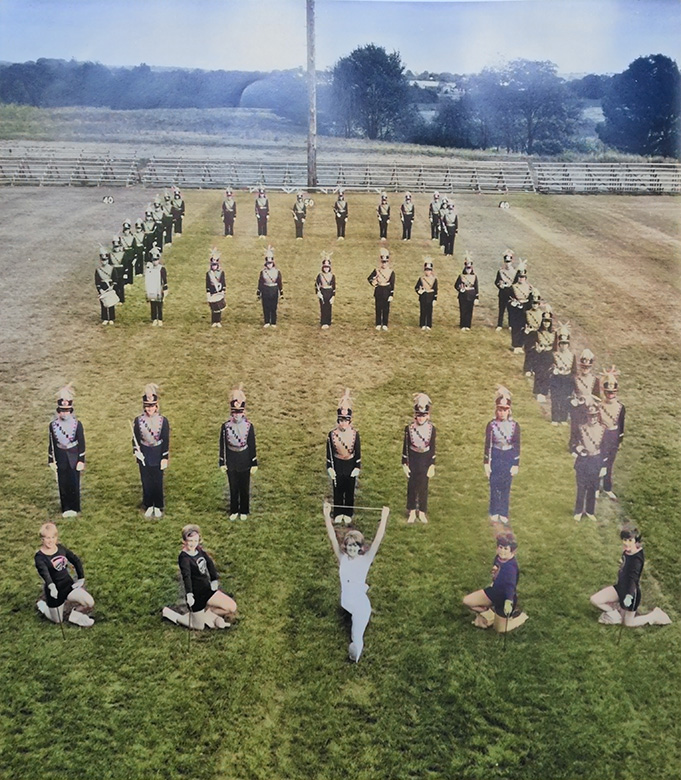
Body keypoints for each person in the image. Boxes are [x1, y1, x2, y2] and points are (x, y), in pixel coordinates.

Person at [323, 501, 389, 662]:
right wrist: (326, 515)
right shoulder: (342, 558)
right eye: (349, 546)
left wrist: (384, 517)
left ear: (360, 548)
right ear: (345, 546)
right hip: (346, 600)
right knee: (355, 617)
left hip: (360, 602)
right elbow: (332, 537)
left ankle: (356, 648)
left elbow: (378, 540)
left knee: (356, 631)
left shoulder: (365, 560)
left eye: (355, 546)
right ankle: (356, 639)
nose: (351, 549)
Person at [589, 527, 670, 627]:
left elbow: (633, 580)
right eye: (625, 540)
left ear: (636, 541)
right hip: (620, 588)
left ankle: (654, 616)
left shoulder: (637, 560)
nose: (626, 543)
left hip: (631, 593)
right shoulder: (627, 551)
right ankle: (614, 612)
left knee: (627, 623)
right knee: (595, 600)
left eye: (630, 540)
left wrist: (629, 596)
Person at [162, 524, 237, 630]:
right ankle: (172, 615)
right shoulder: (184, 558)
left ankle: (207, 615)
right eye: (190, 541)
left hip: (207, 589)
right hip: (196, 595)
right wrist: (189, 594)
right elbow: (186, 577)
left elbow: (209, 563)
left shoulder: (199, 550)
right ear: (184, 541)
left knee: (231, 607)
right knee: (199, 627)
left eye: (195, 541)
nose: (193, 544)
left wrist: (214, 579)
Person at [462, 534, 527, 632]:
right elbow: (496, 568)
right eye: (500, 547)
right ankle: (490, 615)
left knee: (499, 629)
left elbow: (510, 586)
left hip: (504, 599)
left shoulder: (511, 568)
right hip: (494, 591)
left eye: (506, 548)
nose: (502, 551)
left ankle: (520, 617)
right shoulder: (498, 557)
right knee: (467, 601)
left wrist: (509, 602)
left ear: (512, 551)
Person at [34, 522, 95, 627]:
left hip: (67, 585)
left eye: (53, 537)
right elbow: (45, 573)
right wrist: (52, 587)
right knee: (58, 620)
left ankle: (73, 616)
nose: (51, 540)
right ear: (42, 539)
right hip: (54, 592)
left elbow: (75, 560)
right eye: (47, 538)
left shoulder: (60, 548)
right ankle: (43, 606)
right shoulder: (39, 557)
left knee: (89, 602)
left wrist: (81, 578)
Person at [219, 386, 258, 520]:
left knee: (244, 486)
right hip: (231, 459)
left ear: (243, 412)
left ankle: (244, 510)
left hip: (244, 459)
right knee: (233, 486)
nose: (237, 415)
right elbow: (222, 445)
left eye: (239, 413)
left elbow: (252, 445)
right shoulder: (225, 427)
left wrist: (254, 463)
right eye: (234, 413)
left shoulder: (249, 426)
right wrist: (222, 462)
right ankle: (234, 509)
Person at [132, 383, 170, 518]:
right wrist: (136, 452)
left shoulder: (163, 421)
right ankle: (148, 504)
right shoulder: (138, 421)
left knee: (157, 480)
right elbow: (135, 438)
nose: (150, 409)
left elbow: (165, 440)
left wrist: (165, 457)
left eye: (152, 406)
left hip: (157, 452)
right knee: (146, 480)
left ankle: (158, 504)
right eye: (147, 406)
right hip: (144, 453)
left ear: (156, 406)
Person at [483, 386, 520, 525]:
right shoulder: (491, 425)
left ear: (509, 410)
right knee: (494, 484)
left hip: (508, 456)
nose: (502, 412)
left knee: (506, 485)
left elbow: (517, 445)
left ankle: (503, 511)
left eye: (505, 410)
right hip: (496, 456)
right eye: (500, 409)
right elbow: (488, 445)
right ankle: (494, 510)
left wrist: (515, 464)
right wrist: (486, 463)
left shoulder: (515, 426)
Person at [48, 385, 86, 518]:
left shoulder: (77, 424)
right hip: (61, 457)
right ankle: (66, 507)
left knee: (74, 482)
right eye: (62, 411)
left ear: (71, 410)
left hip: (73, 457)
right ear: (58, 411)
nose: (64, 413)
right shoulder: (53, 425)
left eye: (67, 410)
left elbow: (81, 443)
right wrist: (51, 460)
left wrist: (81, 460)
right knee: (62, 483)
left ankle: (75, 507)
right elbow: (51, 444)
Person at [327, 389, 361, 525]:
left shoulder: (355, 434)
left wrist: (357, 466)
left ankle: (348, 512)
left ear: (350, 421)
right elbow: (329, 453)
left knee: (349, 488)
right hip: (338, 463)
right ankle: (338, 512)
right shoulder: (332, 435)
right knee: (338, 489)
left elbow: (357, 452)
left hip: (350, 464)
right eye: (341, 420)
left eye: (346, 421)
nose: (343, 423)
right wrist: (330, 467)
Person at [570, 397, 607, 521]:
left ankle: (590, 511)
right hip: (583, 461)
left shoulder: (603, 429)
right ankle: (578, 511)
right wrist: (579, 449)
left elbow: (605, 449)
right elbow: (573, 443)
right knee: (581, 487)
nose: (593, 418)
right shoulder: (580, 428)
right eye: (590, 416)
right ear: (587, 416)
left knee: (592, 487)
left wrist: (603, 466)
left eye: (595, 416)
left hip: (596, 461)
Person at [402, 392, 436, 523]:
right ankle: (411, 510)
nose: (420, 418)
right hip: (413, 458)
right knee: (412, 485)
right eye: (418, 416)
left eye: (423, 416)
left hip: (425, 460)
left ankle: (422, 511)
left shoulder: (432, 429)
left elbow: (432, 447)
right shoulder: (409, 429)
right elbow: (405, 447)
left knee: (423, 486)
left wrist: (432, 464)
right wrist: (404, 463)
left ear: (428, 415)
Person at [598, 366, 625, 500]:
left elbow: (621, 426)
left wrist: (619, 441)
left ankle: (607, 488)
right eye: (608, 392)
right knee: (598, 462)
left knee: (610, 463)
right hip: (601, 436)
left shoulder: (620, 407)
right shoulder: (598, 406)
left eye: (612, 392)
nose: (610, 395)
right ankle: (596, 488)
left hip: (613, 437)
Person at [550, 323, 576, 426]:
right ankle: (555, 418)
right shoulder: (555, 355)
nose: (563, 345)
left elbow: (574, 370)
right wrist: (554, 371)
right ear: (559, 344)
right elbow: (550, 367)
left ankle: (563, 418)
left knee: (566, 398)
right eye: (562, 343)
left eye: (565, 343)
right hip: (556, 379)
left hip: (567, 379)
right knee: (555, 398)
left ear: (568, 344)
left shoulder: (572, 355)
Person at [527, 309, 554, 402]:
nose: (546, 323)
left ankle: (544, 392)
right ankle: (538, 392)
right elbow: (531, 344)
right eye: (545, 321)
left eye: (548, 322)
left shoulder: (553, 334)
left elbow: (555, 347)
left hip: (549, 355)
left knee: (547, 374)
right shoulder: (537, 333)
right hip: (540, 354)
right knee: (539, 373)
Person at [367, 247, 395, 331]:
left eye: (385, 262)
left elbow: (392, 284)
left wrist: (391, 294)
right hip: (379, 289)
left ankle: (385, 323)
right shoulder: (377, 270)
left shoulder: (391, 272)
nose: (384, 264)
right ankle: (378, 323)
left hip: (386, 290)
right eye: (383, 262)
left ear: (388, 262)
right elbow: (369, 278)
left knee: (386, 308)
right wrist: (373, 282)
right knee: (378, 307)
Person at [508, 263, 533, 353]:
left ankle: (521, 344)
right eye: (519, 277)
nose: (521, 279)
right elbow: (509, 299)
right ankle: (515, 345)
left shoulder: (529, 287)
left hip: (525, 309)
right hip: (516, 310)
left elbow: (531, 299)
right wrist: (514, 304)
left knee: (524, 327)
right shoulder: (513, 287)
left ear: (525, 278)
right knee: (516, 327)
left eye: (523, 277)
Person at [257, 246, 283, 328]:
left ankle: (273, 322)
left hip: (274, 290)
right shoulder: (263, 272)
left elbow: (279, 282)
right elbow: (260, 282)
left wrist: (281, 291)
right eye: (268, 263)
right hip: (265, 290)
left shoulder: (277, 271)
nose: (269, 265)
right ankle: (267, 321)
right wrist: (259, 292)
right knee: (266, 306)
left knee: (273, 306)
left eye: (271, 263)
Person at [454, 254, 479, 331]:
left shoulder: (474, 276)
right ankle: (462, 325)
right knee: (463, 310)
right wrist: (460, 289)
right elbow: (456, 285)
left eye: (470, 268)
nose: (468, 270)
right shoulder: (461, 276)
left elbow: (476, 287)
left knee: (469, 310)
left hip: (471, 295)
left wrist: (476, 297)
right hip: (463, 296)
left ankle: (468, 325)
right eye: (467, 268)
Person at [144, 246, 168, 326]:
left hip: (159, 288)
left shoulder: (162, 269)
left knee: (159, 304)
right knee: (153, 304)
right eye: (153, 260)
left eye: (156, 260)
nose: (155, 262)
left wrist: (165, 289)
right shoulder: (149, 269)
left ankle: (160, 318)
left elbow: (164, 280)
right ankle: (154, 318)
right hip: (152, 289)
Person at [522, 292, 544, 375]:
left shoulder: (542, 314)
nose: (535, 305)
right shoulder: (527, 313)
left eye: (536, 304)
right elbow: (524, 323)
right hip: (530, 333)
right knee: (529, 351)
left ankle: (534, 368)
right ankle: (527, 369)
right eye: (533, 303)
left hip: (538, 333)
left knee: (537, 352)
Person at [95, 247, 117, 325]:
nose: (104, 262)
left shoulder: (112, 269)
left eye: (105, 260)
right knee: (103, 303)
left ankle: (111, 318)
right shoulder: (98, 270)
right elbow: (97, 281)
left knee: (111, 303)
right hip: (103, 287)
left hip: (110, 287)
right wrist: (100, 289)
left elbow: (115, 279)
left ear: (108, 260)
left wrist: (112, 287)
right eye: (102, 260)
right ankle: (104, 317)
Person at [494, 250, 516, 330]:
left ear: (511, 261)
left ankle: (511, 325)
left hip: (511, 293)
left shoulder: (514, 272)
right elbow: (496, 282)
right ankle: (499, 325)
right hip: (502, 293)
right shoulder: (501, 271)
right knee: (501, 309)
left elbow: (516, 283)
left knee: (511, 310)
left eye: (509, 261)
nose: (507, 263)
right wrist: (500, 285)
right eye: (506, 261)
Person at [414, 259, 438, 331]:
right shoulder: (421, 279)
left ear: (431, 271)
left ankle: (428, 324)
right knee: (423, 311)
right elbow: (416, 288)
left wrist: (435, 299)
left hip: (430, 297)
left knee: (429, 311)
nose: (428, 272)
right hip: (423, 297)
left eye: (429, 270)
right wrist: (419, 291)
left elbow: (435, 290)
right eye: (426, 270)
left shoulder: (434, 279)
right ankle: (422, 324)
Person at [205, 248, 226, 328]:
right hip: (212, 292)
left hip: (219, 291)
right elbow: (207, 284)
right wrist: (208, 293)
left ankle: (218, 321)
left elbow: (223, 282)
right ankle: (214, 321)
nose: (214, 267)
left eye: (215, 265)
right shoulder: (208, 274)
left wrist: (223, 290)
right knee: (213, 307)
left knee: (219, 307)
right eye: (213, 265)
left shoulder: (221, 273)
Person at [315, 252, 336, 329]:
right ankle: (323, 321)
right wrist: (318, 293)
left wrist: (333, 296)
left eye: (327, 267)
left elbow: (334, 287)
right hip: (323, 291)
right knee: (323, 307)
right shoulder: (320, 275)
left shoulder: (332, 276)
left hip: (329, 292)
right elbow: (316, 285)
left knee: (329, 306)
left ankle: (328, 321)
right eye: (325, 267)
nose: (326, 269)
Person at [110, 235, 127, 304]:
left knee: (121, 286)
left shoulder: (123, 254)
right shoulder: (110, 255)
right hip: (115, 272)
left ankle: (122, 299)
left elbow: (126, 264)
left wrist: (126, 273)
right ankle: (116, 299)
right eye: (115, 247)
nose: (116, 248)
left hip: (121, 271)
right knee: (115, 286)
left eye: (117, 247)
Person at [120, 220, 137, 287]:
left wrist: (135, 257)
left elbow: (135, 248)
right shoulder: (121, 239)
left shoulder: (132, 238)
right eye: (125, 230)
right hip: (124, 254)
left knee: (130, 268)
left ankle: (130, 281)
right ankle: (125, 282)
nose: (126, 232)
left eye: (127, 230)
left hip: (130, 254)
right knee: (124, 268)